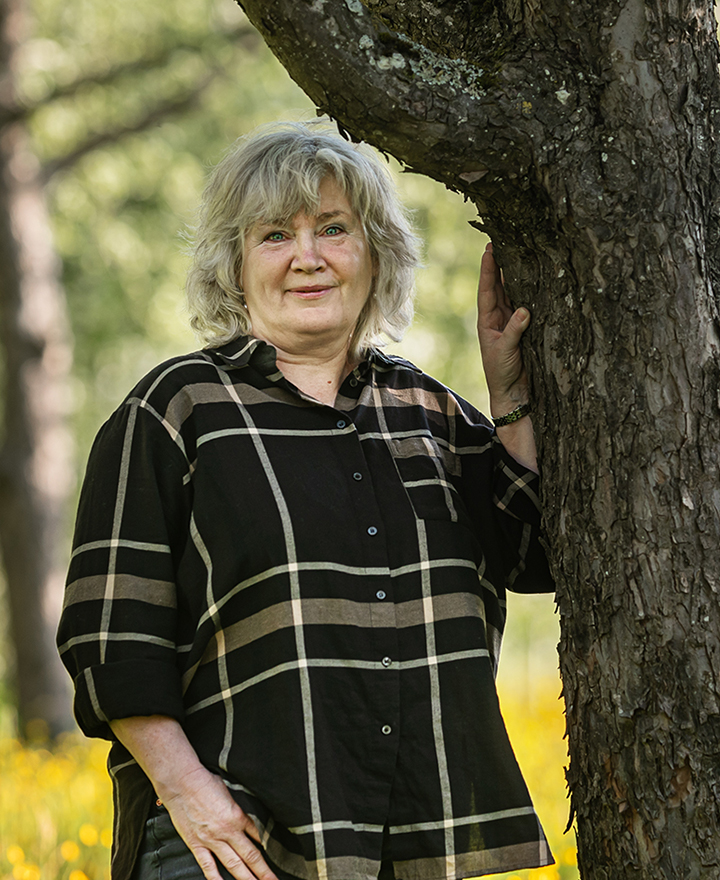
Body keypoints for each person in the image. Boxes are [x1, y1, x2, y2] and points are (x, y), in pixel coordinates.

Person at [57, 122, 555, 880]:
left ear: (375, 253)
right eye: (274, 236)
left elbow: (535, 555)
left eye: (332, 228)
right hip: (235, 844)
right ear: (234, 265)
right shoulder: (174, 411)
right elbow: (110, 642)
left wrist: (511, 399)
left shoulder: (433, 414)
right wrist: (186, 791)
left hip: (421, 844)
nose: (307, 257)